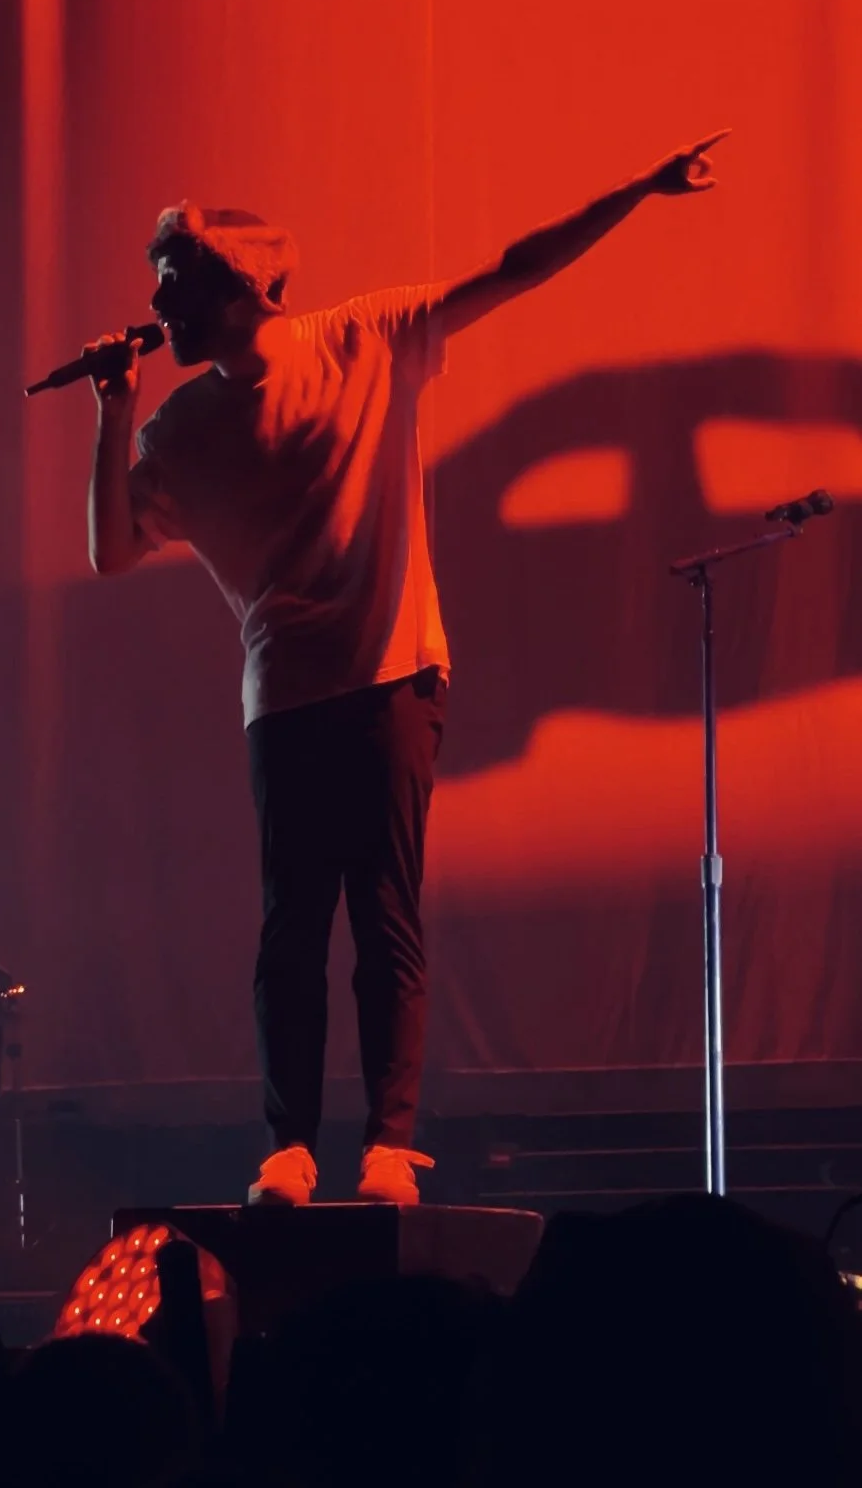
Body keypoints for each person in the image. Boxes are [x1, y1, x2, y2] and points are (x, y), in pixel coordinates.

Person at [87, 137, 722, 1207]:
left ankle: (388, 1144)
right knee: (293, 926)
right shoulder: (181, 426)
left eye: (178, 281)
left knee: (384, 913)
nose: (161, 303)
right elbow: (110, 549)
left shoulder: (365, 339)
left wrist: (637, 191)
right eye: (159, 283)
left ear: (245, 288)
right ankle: (288, 1147)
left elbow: (513, 269)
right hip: (282, 693)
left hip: (394, 674)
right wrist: (109, 414)